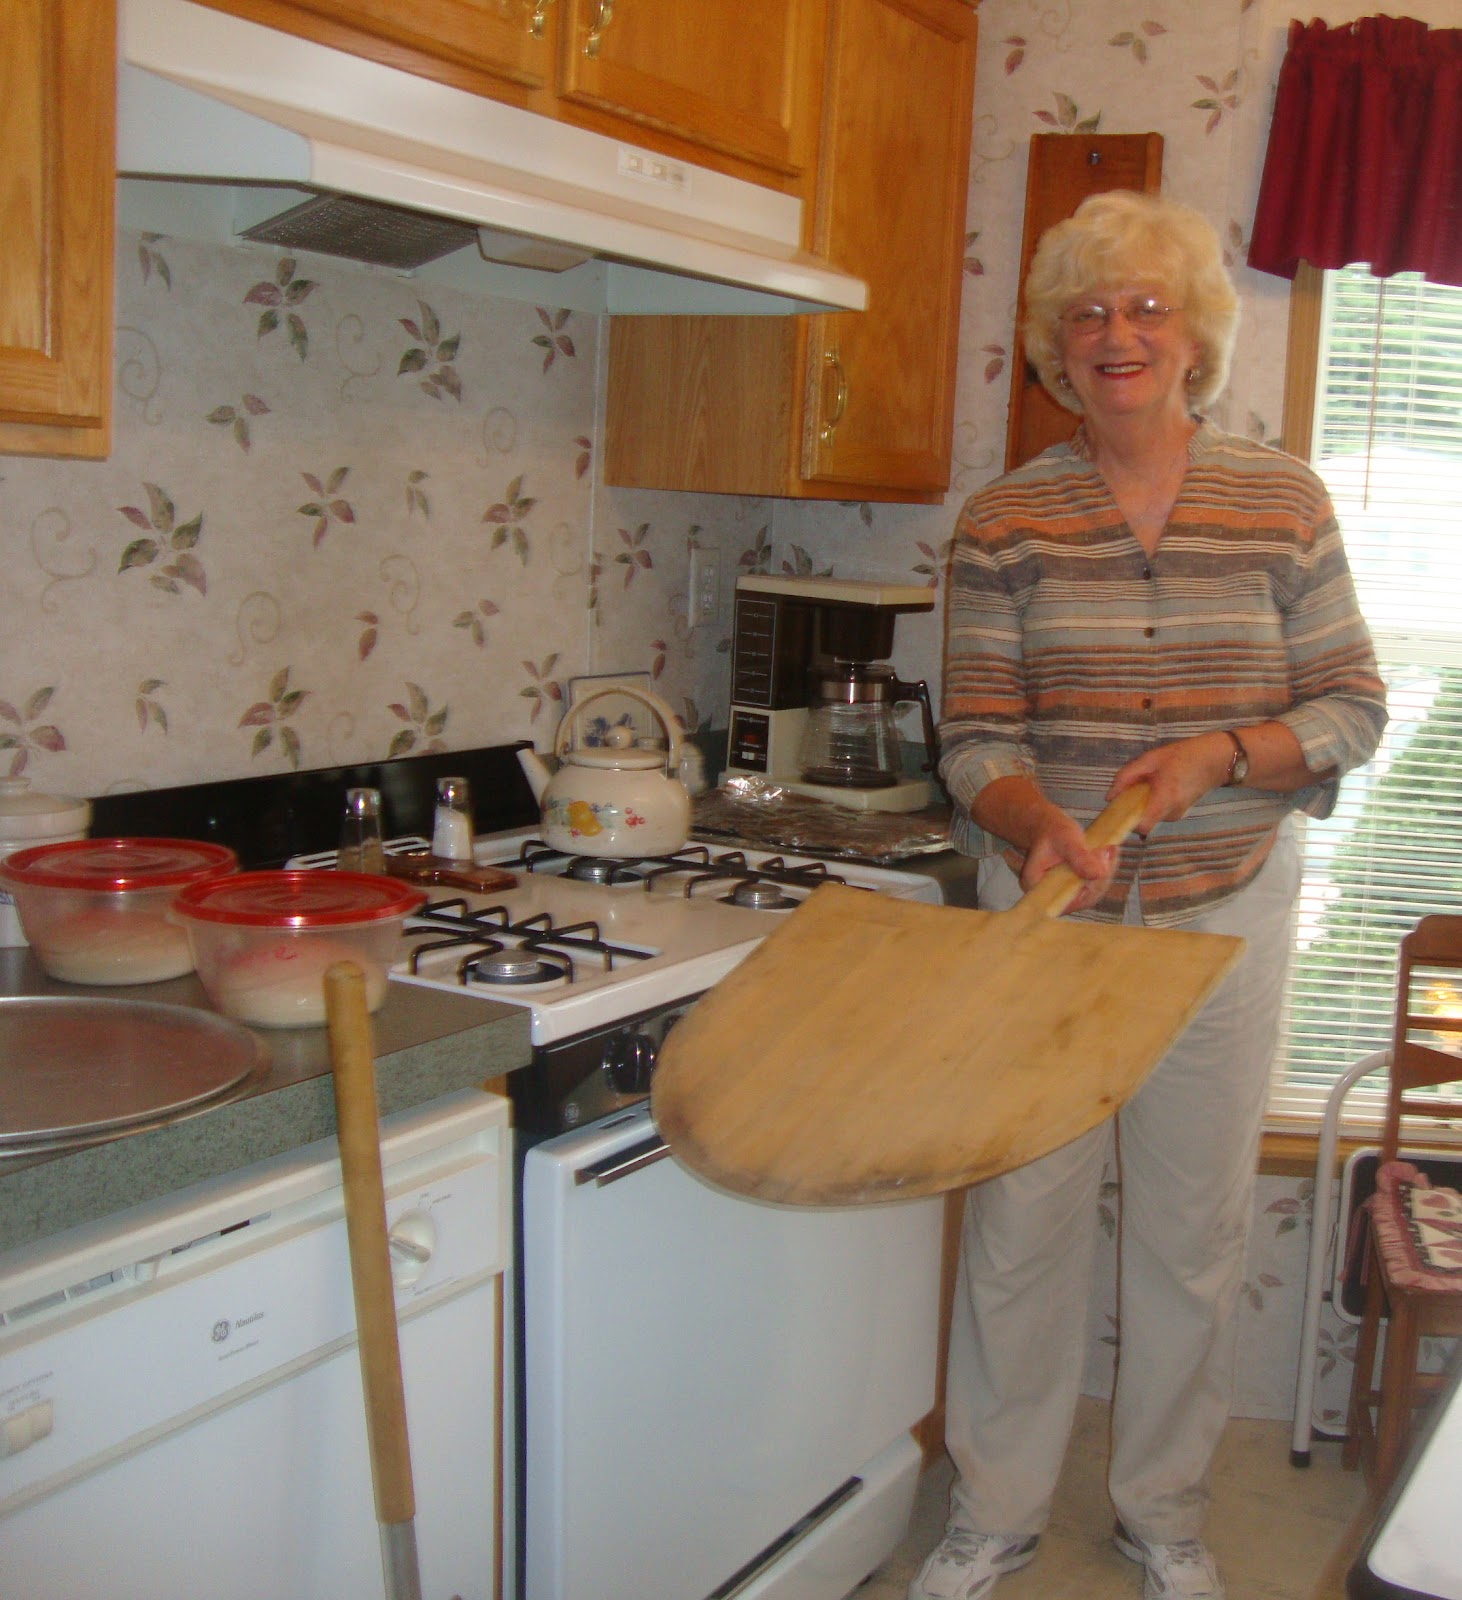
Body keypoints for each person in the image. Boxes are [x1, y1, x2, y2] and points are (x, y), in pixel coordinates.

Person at [911, 189, 1387, 1600]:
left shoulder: (1282, 499)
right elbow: (973, 738)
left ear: (1195, 334)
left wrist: (1224, 754)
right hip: (1050, 911)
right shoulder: (1004, 519)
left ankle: (1162, 1511)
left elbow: (1353, 707)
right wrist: (1029, 817)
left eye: (1145, 306)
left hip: (1220, 911)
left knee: (1189, 1233)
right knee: (1021, 1225)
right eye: (1087, 312)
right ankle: (990, 1512)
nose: (1116, 334)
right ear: (1058, 347)